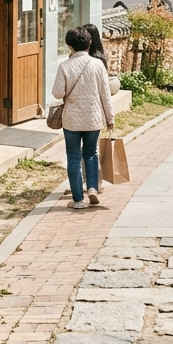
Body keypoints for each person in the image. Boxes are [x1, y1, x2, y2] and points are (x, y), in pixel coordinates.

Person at [52, 26, 115, 209]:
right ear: (89, 44)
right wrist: (110, 118)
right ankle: (93, 188)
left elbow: (57, 93)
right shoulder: (98, 65)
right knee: (91, 154)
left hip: (71, 119)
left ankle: (78, 200)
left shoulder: (64, 66)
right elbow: (106, 94)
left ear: (69, 46)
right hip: (93, 118)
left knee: (73, 157)